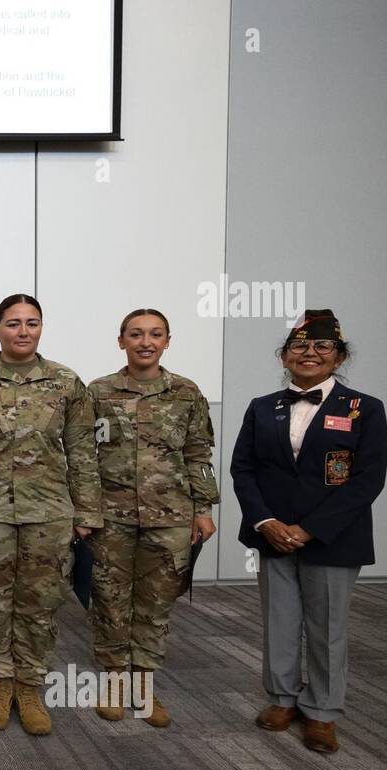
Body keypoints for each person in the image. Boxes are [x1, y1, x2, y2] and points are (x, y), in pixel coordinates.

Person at [231, 309, 387, 754]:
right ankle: (282, 699)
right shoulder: (263, 408)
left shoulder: (365, 409)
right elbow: (243, 470)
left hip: (334, 538)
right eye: (300, 346)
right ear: (284, 356)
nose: (310, 354)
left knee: (327, 627)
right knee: (279, 622)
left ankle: (321, 711)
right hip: (273, 534)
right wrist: (267, 522)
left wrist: (310, 529)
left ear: (339, 358)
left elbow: (367, 480)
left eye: (322, 347)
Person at [0, 294, 101, 735]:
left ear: (41, 328)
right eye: (13, 323)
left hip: (49, 509)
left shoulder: (66, 382)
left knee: (41, 600)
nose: (23, 331)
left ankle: (30, 683)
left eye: (31, 323)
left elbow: (82, 451)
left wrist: (87, 508)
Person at [87, 308, 219, 726]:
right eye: (136, 334)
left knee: (156, 603)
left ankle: (143, 684)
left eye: (155, 334)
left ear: (167, 341)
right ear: (120, 339)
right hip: (112, 516)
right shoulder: (99, 392)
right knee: (109, 600)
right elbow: (82, 456)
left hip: (171, 516)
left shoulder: (186, 392)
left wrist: (203, 508)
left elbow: (199, 454)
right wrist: (85, 509)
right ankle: (112, 680)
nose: (146, 342)